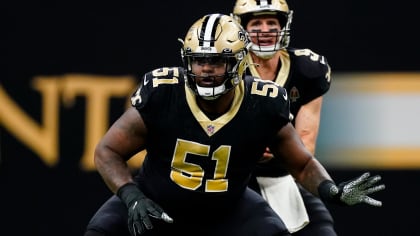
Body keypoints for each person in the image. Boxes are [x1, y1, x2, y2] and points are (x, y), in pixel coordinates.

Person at [84, 13, 385, 236]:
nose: (205, 70)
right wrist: (131, 196)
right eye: (198, 60)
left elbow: (302, 164)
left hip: (228, 208)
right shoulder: (164, 91)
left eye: (216, 62)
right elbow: (107, 150)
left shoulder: (262, 101)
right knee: (101, 232)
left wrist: (332, 191)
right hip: (157, 201)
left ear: (239, 63)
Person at [231, 0, 336, 235]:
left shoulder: (307, 70)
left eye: (272, 22)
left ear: (284, 25)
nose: (265, 30)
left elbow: (305, 144)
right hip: (233, 181)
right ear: (241, 28)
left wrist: (278, 145)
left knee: (322, 229)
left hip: (284, 176)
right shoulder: (227, 71)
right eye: (256, 23)